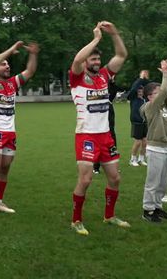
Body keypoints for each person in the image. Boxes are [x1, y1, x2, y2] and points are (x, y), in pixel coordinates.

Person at [70, 21, 129, 236]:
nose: (97, 61)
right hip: (86, 135)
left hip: (105, 136)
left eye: (98, 58)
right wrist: (95, 39)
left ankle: (109, 215)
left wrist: (114, 34)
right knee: (85, 180)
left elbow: (122, 55)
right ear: (86, 61)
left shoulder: (105, 75)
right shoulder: (77, 77)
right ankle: (76, 220)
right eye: (93, 58)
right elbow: (77, 60)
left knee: (115, 178)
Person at [0, 40, 39, 219]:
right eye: (4, 65)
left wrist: (33, 54)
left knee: (5, 167)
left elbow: (30, 71)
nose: (7, 66)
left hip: (10, 131)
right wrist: (11, 50)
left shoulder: (12, 83)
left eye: (8, 65)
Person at [141, 60, 167, 223]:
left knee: (163, 182)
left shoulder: (163, 106)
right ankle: (148, 210)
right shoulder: (150, 107)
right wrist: (165, 74)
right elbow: (164, 92)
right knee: (153, 182)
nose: (161, 93)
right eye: (157, 92)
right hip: (156, 149)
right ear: (150, 96)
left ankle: (157, 207)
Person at [127, 71, 149, 167]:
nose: (140, 92)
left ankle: (141, 158)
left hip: (145, 122)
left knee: (145, 141)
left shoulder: (145, 100)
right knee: (138, 141)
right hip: (137, 122)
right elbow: (134, 88)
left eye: (141, 91)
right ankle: (133, 159)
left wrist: (145, 79)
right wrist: (140, 79)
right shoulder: (133, 98)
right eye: (138, 91)